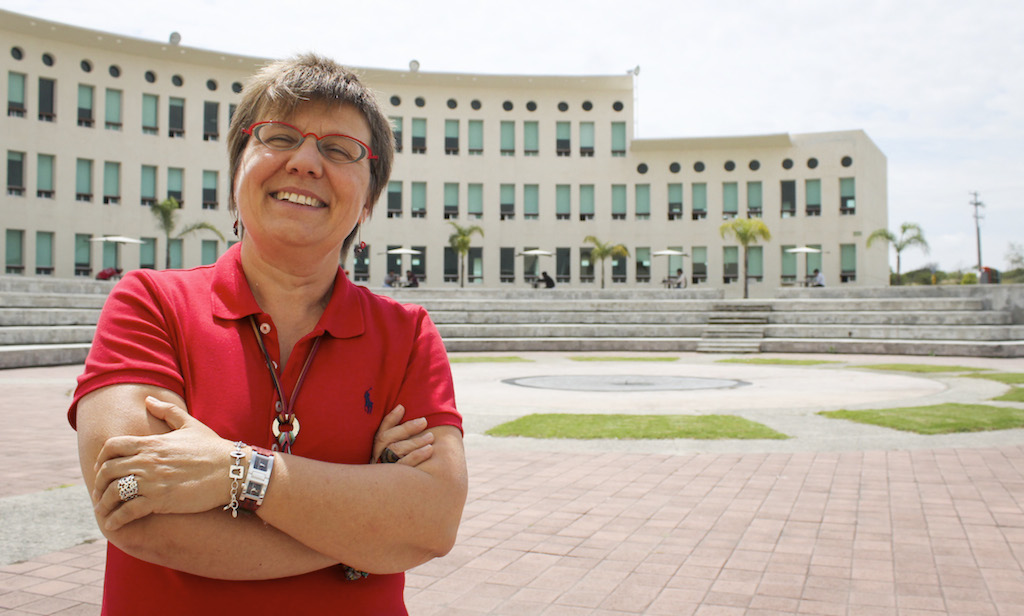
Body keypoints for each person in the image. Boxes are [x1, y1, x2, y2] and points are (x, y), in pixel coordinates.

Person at [69, 54, 467, 615]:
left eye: (339, 149)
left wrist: (235, 472)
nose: (305, 162)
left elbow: (433, 521)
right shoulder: (149, 304)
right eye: (279, 136)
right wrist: (364, 543)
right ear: (236, 172)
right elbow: (135, 507)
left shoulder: (407, 335)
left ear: (369, 200)